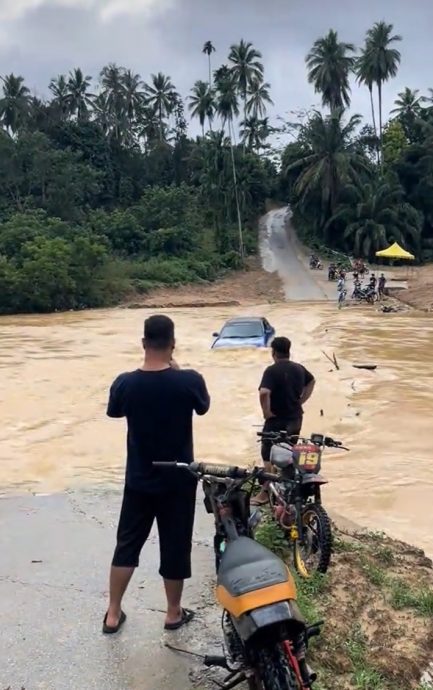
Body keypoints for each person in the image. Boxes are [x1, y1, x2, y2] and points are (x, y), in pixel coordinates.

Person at [103, 315, 210, 635]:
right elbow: (203, 407)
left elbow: (114, 411)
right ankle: (173, 613)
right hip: (178, 480)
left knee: (127, 544)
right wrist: (176, 370)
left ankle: (112, 614)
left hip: (138, 478)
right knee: (175, 544)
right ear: (173, 344)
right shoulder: (189, 380)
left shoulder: (125, 383)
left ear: (143, 343)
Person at [252, 337, 315, 505]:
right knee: (288, 452)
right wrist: (301, 400)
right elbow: (312, 381)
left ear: (273, 352)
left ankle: (265, 493)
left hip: (276, 419)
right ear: (289, 350)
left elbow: (264, 392)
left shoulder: (271, 371)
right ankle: (288, 492)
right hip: (295, 418)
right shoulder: (299, 368)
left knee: (268, 454)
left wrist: (266, 412)